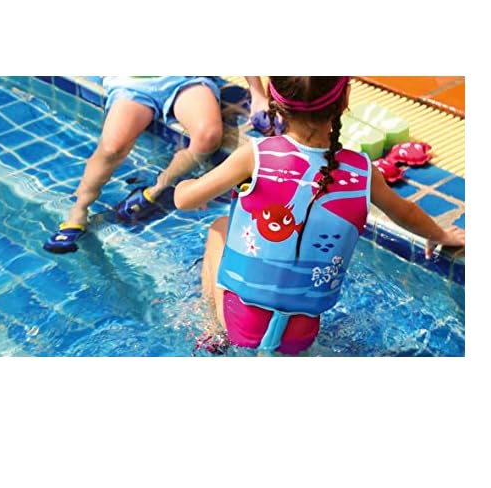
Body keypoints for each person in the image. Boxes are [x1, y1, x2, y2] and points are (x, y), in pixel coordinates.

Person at [173, 75, 466, 353]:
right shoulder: (363, 171)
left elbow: (184, 201)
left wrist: (186, 184)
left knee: (219, 227)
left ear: (274, 98)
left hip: (241, 324)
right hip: (301, 335)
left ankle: (214, 331)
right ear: (345, 99)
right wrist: (440, 235)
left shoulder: (255, 155)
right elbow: (406, 213)